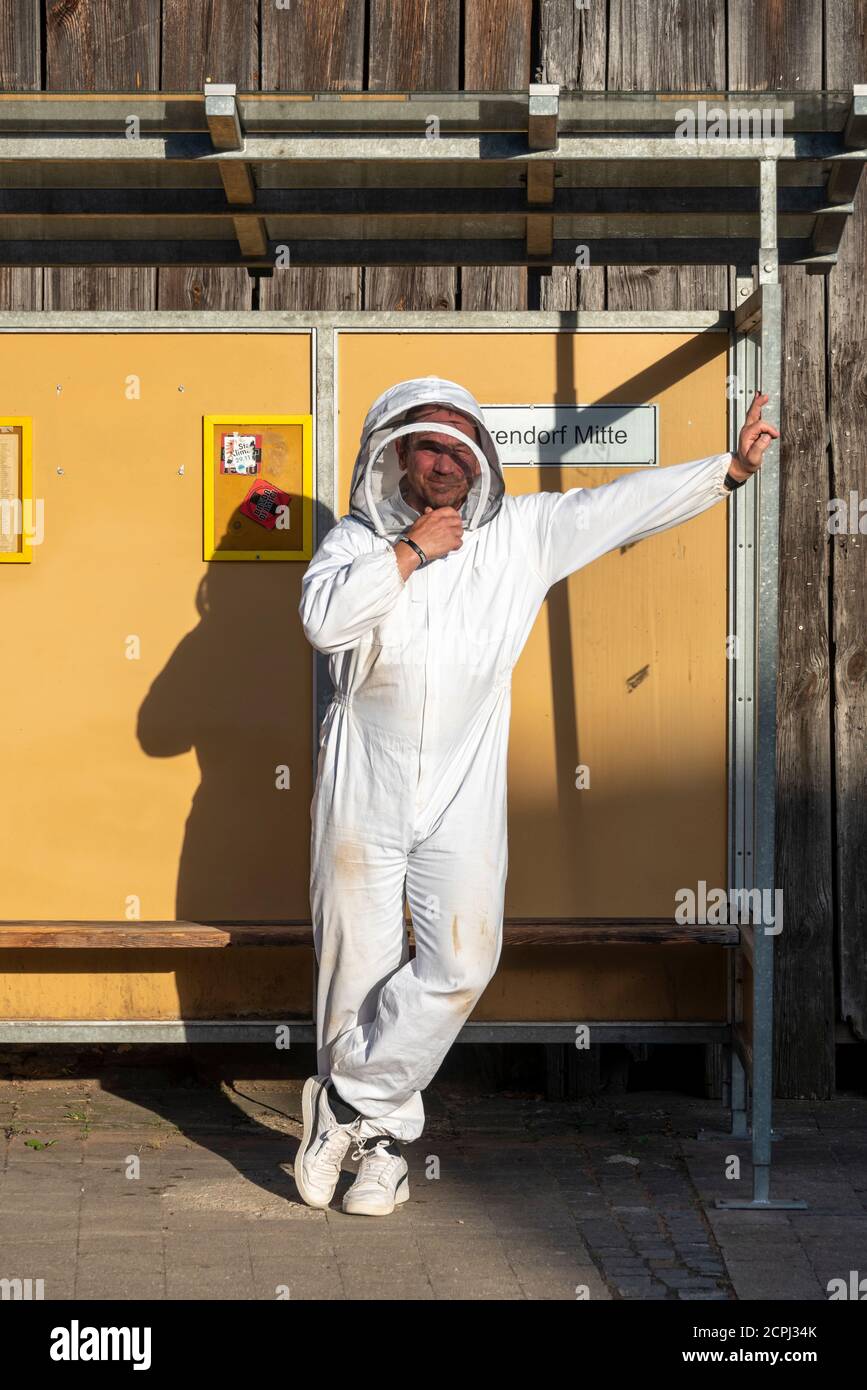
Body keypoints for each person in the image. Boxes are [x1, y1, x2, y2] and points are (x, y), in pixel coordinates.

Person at [294, 375, 778, 1217]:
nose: (445, 462)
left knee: (462, 960)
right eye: (429, 446)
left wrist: (725, 471)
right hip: (360, 782)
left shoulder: (521, 534)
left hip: (461, 786)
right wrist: (409, 553)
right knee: (357, 975)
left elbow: (617, 506)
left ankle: (341, 1102)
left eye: (459, 447)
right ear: (398, 453)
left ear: (479, 457)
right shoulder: (353, 542)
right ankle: (381, 1149)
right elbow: (322, 623)